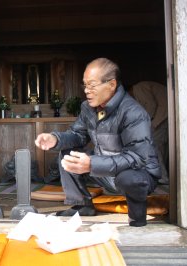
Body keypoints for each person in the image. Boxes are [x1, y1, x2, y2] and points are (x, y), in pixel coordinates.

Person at [35, 58, 161, 227]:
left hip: (138, 174)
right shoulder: (88, 108)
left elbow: (137, 158)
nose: (87, 91)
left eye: (92, 85)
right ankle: (81, 205)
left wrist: (92, 164)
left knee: (129, 178)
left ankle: (137, 217)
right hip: (105, 168)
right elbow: (77, 135)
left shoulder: (133, 112)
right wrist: (56, 139)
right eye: (85, 85)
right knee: (68, 154)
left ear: (112, 84)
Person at [130, 81, 169, 184]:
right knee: (160, 146)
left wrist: (144, 124)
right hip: (165, 114)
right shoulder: (140, 88)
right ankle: (162, 176)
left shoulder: (138, 88)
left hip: (162, 116)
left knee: (155, 145)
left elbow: (151, 106)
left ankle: (162, 177)